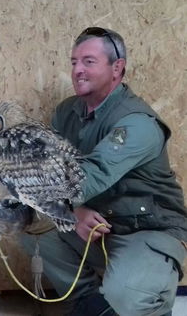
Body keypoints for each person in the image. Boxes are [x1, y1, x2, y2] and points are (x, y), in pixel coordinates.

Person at [20, 27, 187, 316]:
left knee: (127, 293)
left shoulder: (138, 124)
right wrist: (74, 213)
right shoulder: (67, 112)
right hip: (98, 225)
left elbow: (87, 177)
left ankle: (150, 302)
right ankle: (91, 305)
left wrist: (46, 191)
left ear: (117, 68)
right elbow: (51, 170)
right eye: (74, 62)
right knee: (28, 230)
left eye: (89, 61)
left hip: (146, 230)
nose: (78, 70)